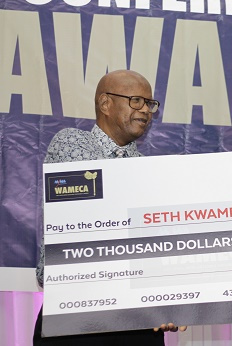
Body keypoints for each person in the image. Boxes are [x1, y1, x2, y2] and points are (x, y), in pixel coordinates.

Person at [34, 70, 185, 345]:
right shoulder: (74, 143)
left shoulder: (147, 169)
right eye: (136, 101)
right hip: (79, 317)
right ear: (105, 104)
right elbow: (93, 218)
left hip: (138, 321)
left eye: (150, 104)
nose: (146, 110)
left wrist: (168, 299)